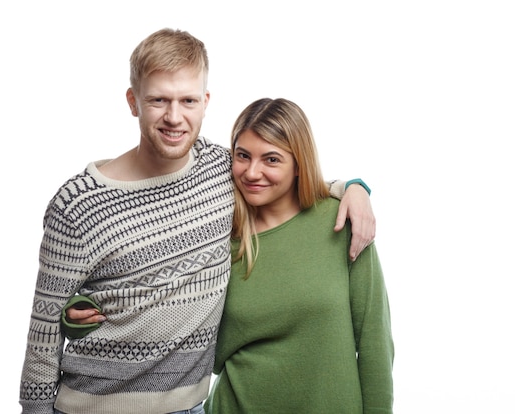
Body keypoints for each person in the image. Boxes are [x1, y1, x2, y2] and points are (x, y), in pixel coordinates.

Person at [19, 28, 375, 414]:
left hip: (191, 408)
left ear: (205, 102)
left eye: (188, 100)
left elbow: (286, 176)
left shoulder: (222, 170)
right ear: (133, 101)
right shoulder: (77, 203)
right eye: (158, 100)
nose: (175, 117)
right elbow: (44, 333)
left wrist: (353, 188)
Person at [202, 98, 394, 413]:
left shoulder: (342, 221)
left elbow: (375, 344)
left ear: (298, 164)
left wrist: (354, 188)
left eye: (272, 159)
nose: (252, 172)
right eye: (243, 156)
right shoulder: (220, 238)